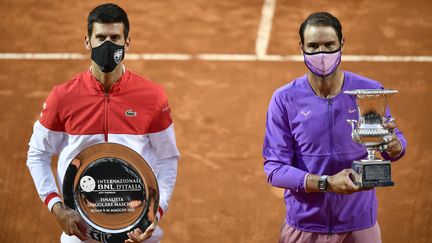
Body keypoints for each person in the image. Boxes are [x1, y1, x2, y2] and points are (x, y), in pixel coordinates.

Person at [26, 3, 180, 243]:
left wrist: (154, 214)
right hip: (81, 231)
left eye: (115, 37)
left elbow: (168, 157)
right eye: (100, 37)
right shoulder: (63, 97)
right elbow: (38, 153)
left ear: (127, 42)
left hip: (137, 230)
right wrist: (56, 206)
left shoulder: (153, 97)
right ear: (87, 41)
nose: (108, 45)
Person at [262, 12, 407, 243]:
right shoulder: (284, 99)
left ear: (342, 43)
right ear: (301, 47)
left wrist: (395, 145)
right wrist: (326, 183)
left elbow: (393, 142)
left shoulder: (368, 91)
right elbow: (275, 169)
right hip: (304, 227)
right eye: (313, 46)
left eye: (329, 45)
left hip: (359, 227)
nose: (322, 54)